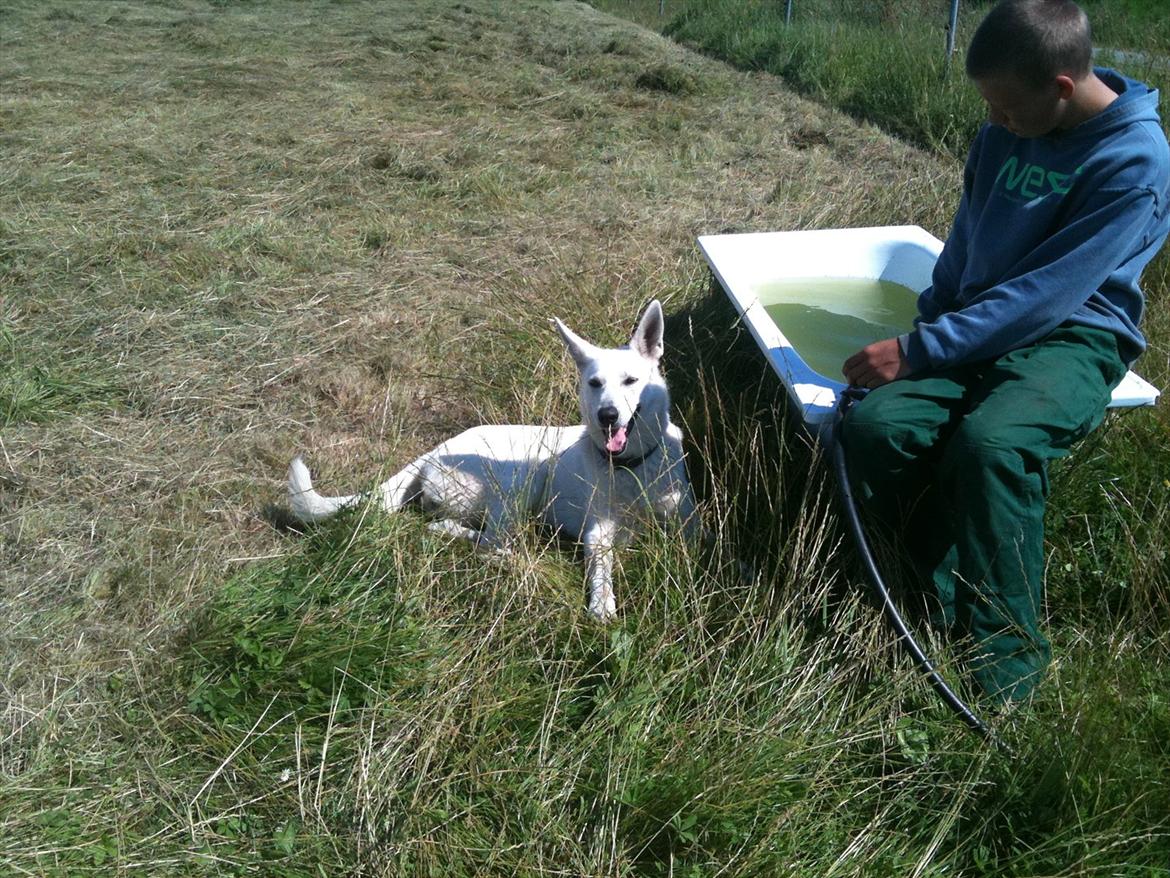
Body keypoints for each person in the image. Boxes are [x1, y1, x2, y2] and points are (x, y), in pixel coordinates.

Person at [839, 0, 1170, 704]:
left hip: (1074, 335)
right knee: (875, 428)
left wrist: (924, 348)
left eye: (1007, 108)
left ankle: (1005, 672)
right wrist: (927, 331)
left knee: (992, 445)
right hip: (978, 321)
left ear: (1059, 86)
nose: (994, 122)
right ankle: (919, 598)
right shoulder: (1003, 132)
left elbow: (1049, 295)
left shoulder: (1135, 161)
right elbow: (965, 244)